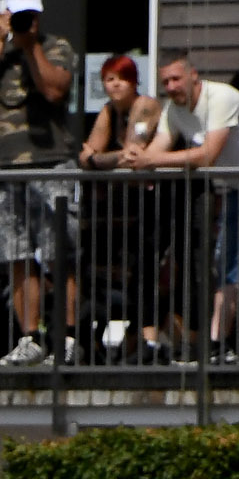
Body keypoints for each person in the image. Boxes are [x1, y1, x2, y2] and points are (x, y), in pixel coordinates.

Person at [128, 50, 239, 363]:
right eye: (165, 82)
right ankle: (217, 342)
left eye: (176, 78)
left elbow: (207, 154)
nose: (172, 87)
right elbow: (157, 150)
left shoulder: (221, 97)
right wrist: (136, 157)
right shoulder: (174, 111)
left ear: (193, 75)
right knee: (228, 263)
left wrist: (150, 160)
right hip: (231, 187)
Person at [0, 0, 80, 367]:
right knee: (15, 255)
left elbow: (54, 90)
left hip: (52, 164)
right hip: (6, 170)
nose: (23, 22)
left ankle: (66, 338)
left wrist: (31, 46)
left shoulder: (55, 47)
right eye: (16, 15)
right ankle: (29, 336)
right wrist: (0, 40)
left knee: (58, 254)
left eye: (28, 15)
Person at [79, 54, 175, 364]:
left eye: (121, 78)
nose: (115, 84)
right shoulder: (109, 111)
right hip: (126, 205)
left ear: (134, 82)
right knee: (127, 273)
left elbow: (132, 154)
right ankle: (134, 339)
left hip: (158, 200)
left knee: (148, 271)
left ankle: (149, 341)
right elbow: (85, 157)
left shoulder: (144, 105)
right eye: (109, 79)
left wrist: (97, 160)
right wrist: (97, 159)